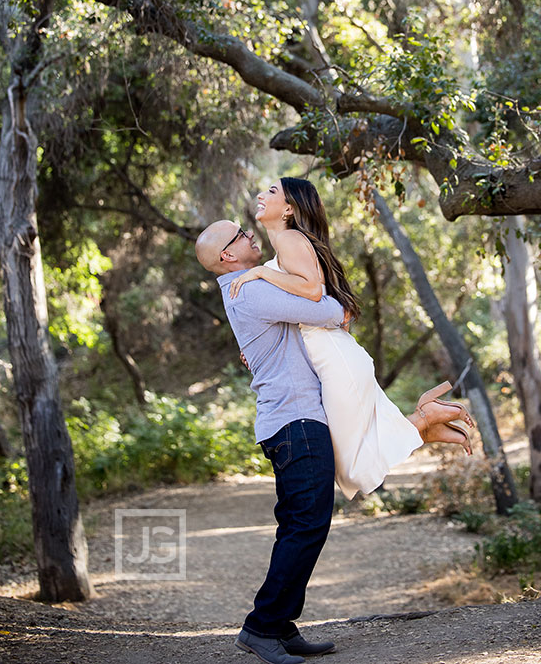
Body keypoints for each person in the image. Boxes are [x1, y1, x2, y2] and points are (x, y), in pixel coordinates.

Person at [195, 216, 472, 664]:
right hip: (295, 423)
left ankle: (281, 626)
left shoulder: (251, 285)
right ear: (227, 255)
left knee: (298, 526)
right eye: (241, 235)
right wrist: (290, 284)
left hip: (292, 423)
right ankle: (261, 628)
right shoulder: (250, 287)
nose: (250, 235)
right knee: (307, 526)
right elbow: (330, 311)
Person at [228, 177, 472, 498]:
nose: (261, 195)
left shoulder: (289, 239)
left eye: (272, 191)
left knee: (350, 467)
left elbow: (313, 292)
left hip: (333, 357)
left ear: (289, 208)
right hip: (329, 355)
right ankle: (426, 425)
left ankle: (425, 418)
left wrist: (261, 272)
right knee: (346, 463)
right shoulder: (288, 244)